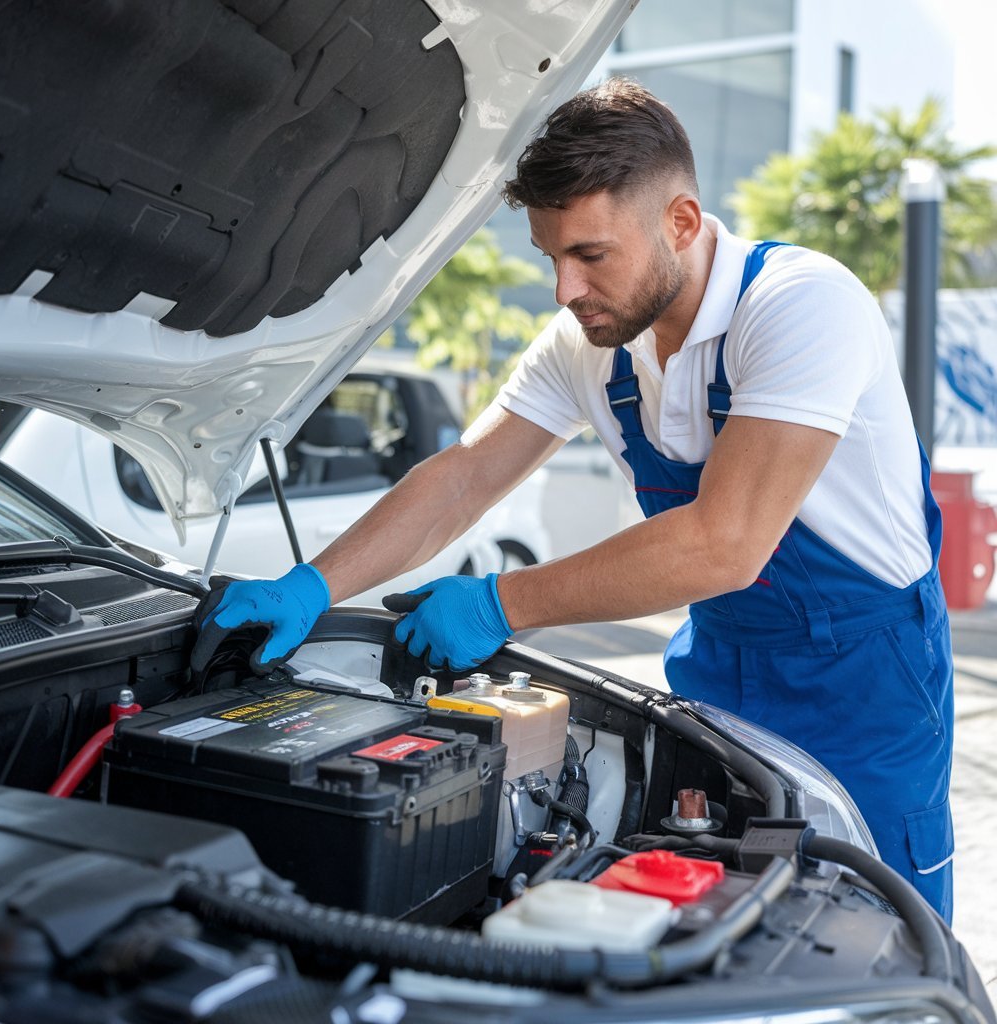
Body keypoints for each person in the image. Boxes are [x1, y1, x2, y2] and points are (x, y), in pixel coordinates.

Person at [192, 78, 954, 920]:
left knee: (874, 924)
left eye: (590, 255)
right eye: (550, 257)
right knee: (703, 908)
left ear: (682, 223)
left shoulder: (801, 306)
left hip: (866, 682)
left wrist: (499, 602)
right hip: (720, 663)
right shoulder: (592, 342)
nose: (564, 288)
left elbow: (724, 544)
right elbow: (465, 476)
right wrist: (314, 584)